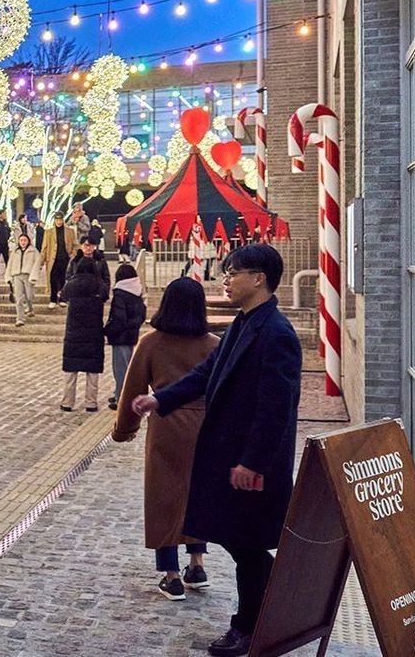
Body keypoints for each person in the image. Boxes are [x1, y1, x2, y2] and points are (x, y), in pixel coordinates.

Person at [131, 244, 301, 657]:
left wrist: (253, 463)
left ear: (258, 279)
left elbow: (275, 409)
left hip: (251, 464)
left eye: (233, 273)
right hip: (229, 457)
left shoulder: (276, 333)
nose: (225, 280)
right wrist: (160, 399)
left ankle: (248, 629)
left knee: (246, 544)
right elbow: (206, 373)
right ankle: (278, 604)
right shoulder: (244, 323)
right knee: (238, 540)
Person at [113, 278, 218, 602]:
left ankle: (171, 575)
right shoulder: (214, 344)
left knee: (164, 499)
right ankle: (197, 564)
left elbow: (132, 392)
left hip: (166, 427)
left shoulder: (151, 343)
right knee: (197, 495)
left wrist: (124, 431)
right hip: (205, 427)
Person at [60, 258, 107, 412]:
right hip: (94, 332)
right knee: (92, 370)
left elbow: (63, 296)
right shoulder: (99, 284)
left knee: (71, 369)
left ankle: (67, 402)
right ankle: (91, 402)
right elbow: (105, 296)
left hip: (74, 332)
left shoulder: (71, 283)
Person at [104, 263, 146, 410]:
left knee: (120, 369)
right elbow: (141, 314)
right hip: (131, 335)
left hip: (120, 336)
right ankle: (119, 392)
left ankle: (121, 398)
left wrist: (108, 330)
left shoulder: (120, 294)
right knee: (127, 366)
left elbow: (118, 318)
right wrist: (133, 326)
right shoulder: (137, 291)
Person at [40, 214, 77, 306]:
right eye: (57, 220)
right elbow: (44, 247)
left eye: (60, 220)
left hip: (65, 258)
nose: (59, 222)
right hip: (52, 259)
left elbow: (75, 245)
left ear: (63, 220)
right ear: (54, 220)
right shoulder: (48, 232)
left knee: (64, 278)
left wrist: (72, 254)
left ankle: (63, 299)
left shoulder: (70, 231)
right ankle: (53, 299)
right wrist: (41, 261)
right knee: (53, 278)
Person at [8, 233, 39, 327]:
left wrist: (34, 275)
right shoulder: (15, 251)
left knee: (29, 295)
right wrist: (8, 276)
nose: (23, 242)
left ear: (28, 241)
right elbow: (10, 264)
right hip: (17, 275)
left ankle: (30, 308)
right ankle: (20, 318)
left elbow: (37, 263)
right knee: (19, 298)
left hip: (28, 275)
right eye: (21, 240)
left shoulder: (33, 251)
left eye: (25, 240)